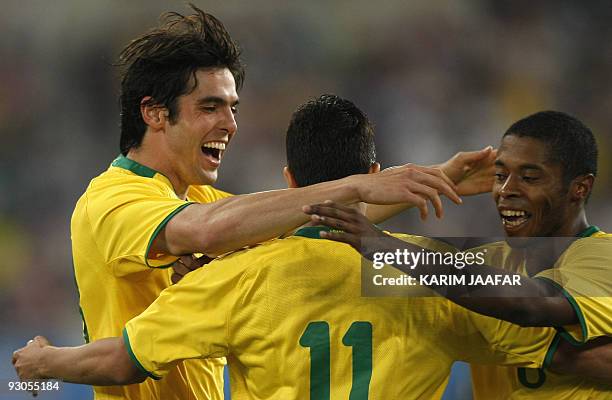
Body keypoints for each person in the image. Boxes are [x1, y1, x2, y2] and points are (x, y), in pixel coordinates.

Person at [12, 95, 609, 399]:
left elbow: (121, 360)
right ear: (373, 170)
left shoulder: (240, 275)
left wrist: (43, 361)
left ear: (289, 180)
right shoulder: (438, 276)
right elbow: (550, 345)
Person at [62, 5, 497, 400]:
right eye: (210, 106)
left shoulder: (202, 200)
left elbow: (308, 222)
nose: (230, 124)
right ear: (155, 113)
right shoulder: (113, 200)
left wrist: (436, 178)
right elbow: (207, 229)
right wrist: (356, 185)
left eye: (233, 108)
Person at [304, 110, 612, 398]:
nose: (506, 190)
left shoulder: (603, 254)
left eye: (529, 178)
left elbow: (531, 302)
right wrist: (436, 180)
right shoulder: (480, 262)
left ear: (580, 188)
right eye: (500, 175)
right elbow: (318, 242)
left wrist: (382, 244)